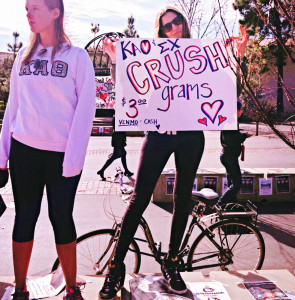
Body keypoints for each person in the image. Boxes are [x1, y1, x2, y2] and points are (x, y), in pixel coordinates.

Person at [99, 6, 205, 299]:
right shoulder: (153, 56)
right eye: (167, 25)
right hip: (158, 136)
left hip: (190, 138)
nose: (174, 28)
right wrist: (115, 58)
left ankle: (172, 263)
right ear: (160, 30)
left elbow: (219, 84)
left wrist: (239, 54)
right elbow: (133, 86)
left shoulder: (200, 55)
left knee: (181, 198)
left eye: (177, 22)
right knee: (139, 198)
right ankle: (115, 266)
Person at [0, 0, 96, 299]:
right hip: (24, 150)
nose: (28, 13)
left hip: (61, 156)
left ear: (56, 13)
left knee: (62, 218)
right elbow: (13, 107)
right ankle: (20, 288)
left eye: (35, 8)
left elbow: (85, 110)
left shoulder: (78, 57)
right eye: (27, 8)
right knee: (24, 217)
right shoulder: (23, 57)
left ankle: (71, 287)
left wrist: (74, 159)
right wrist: (2, 156)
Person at [217, 101, 252, 206]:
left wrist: (242, 135)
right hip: (230, 157)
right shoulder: (231, 122)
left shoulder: (228, 120)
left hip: (227, 155)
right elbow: (232, 139)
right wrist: (244, 136)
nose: (242, 111)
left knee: (231, 183)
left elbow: (231, 137)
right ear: (235, 110)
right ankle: (220, 204)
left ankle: (231, 206)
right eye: (241, 109)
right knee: (237, 184)